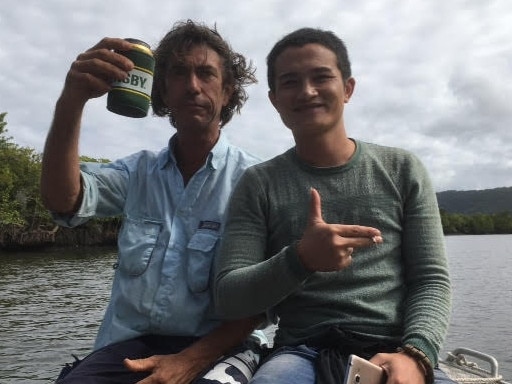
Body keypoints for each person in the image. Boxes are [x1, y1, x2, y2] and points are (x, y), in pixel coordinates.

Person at [214, 27, 455, 384]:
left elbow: (431, 280)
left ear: (348, 88)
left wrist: (416, 354)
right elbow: (229, 297)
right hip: (301, 353)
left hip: (394, 350)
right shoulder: (258, 184)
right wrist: (302, 259)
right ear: (275, 99)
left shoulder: (403, 169)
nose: (307, 91)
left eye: (321, 77)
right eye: (290, 82)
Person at [40, 20, 267, 384]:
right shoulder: (137, 172)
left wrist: (189, 361)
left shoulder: (255, 180)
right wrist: (72, 99)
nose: (192, 85)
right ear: (160, 90)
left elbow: (263, 300)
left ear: (227, 92)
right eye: (178, 73)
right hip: (129, 345)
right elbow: (63, 199)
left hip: (223, 345)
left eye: (205, 73)